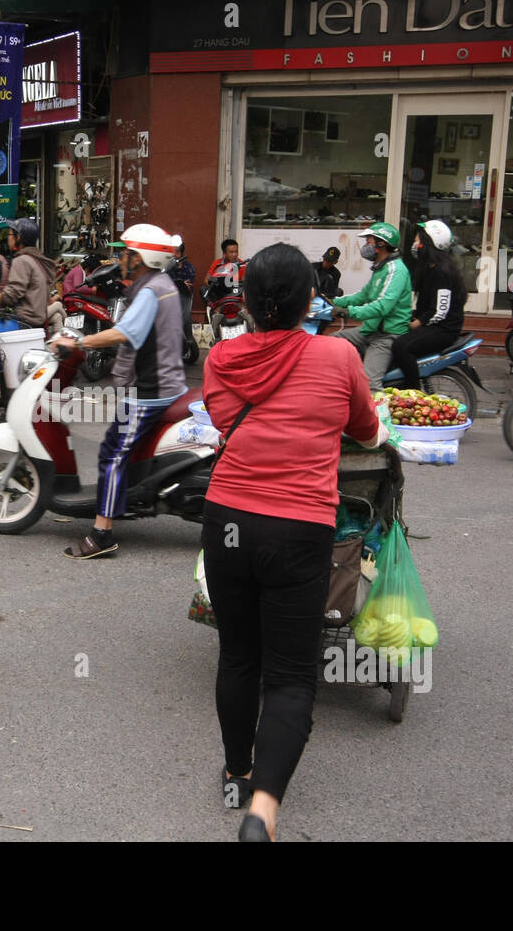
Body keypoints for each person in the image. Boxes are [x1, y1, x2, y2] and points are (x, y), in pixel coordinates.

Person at [200, 242, 385, 842]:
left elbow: (226, 420)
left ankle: (236, 770)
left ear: (247, 303)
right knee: (289, 676)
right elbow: (366, 429)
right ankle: (262, 813)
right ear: (311, 298)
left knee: (238, 656)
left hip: (226, 517)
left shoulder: (223, 358)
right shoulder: (338, 355)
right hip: (299, 527)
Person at [55, 223, 188, 560]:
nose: (119, 258)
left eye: (125, 253)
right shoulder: (160, 284)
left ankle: (102, 534)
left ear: (140, 258)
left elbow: (125, 334)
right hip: (163, 384)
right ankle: (115, 504)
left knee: (112, 454)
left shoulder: (149, 291)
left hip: (149, 391)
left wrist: (78, 341)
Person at [330, 221, 413, 390]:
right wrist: (332, 301)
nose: (366, 244)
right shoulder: (380, 268)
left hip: (386, 335)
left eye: (369, 240)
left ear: (381, 243)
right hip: (370, 330)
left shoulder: (395, 270)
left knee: (369, 383)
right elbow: (363, 295)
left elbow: (383, 306)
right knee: (331, 343)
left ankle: (377, 415)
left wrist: (348, 312)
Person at [388, 220, 467, 391]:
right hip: (432, 324)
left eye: (417, 241)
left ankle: (413, 391)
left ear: (428, 244)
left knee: (401, 346)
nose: (415, 245)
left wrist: (416, 323)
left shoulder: (441, 271)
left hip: (443, 329)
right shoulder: (429, 269)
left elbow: (440, 309)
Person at [0, 218, 52, 329]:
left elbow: (10, 296)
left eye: (10, 234)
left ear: (18, 237)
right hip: (37, 324)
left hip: (24, 324)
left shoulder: (22, 261)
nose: (8, 238)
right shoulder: (37, 259)